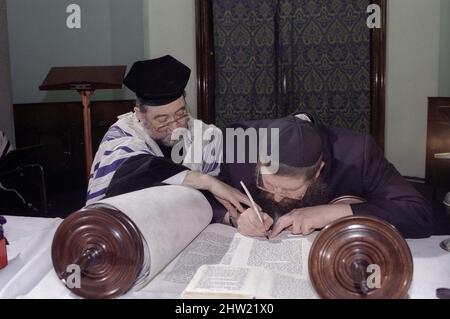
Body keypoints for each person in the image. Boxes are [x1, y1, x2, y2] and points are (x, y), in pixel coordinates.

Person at [218, 114, 434, 239]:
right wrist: (234, 218)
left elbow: (419, 213)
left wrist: (333, 213)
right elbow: (204, 195)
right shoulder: (240, 146)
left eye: (291, 190)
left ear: (318, 171)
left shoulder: (357, 152)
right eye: (268, 184)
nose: (276, 197)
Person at [87, 55, 251, 218]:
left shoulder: (204, 135)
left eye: (180, 114)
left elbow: (219, 194)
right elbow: (132, 168)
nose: (174, 126)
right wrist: (207, 181)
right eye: (162, 119)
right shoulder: (122, 133)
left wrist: (233, 217)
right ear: (139, 115)